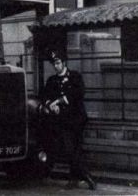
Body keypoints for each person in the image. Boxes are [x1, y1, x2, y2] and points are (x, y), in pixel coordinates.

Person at [38, 51, 96, 190]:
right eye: (54, 64)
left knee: (75, 149)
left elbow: (78, 93)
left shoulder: (74, 76)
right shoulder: (52, 80)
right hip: (62, 122)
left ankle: (73, 179)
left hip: (77, 119)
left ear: (64, 63)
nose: (56, 66)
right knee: (70, 150)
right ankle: (86, 176)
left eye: (58, 63)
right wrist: (50, 106)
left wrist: (58, 101)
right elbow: (45, 95)